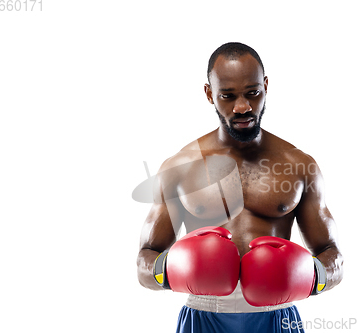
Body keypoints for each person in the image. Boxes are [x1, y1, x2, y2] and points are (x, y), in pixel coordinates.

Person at [136, 42, 343, 333]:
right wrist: (172, 271)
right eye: (228, 96)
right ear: (209, 94)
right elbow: (145, 260)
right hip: (204, 316)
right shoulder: (179, 168)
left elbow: (331, 254)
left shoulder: (299, 165)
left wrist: (313, 275)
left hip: (276, 314)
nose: (242, 107)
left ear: (266, 86)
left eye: (253, 93)